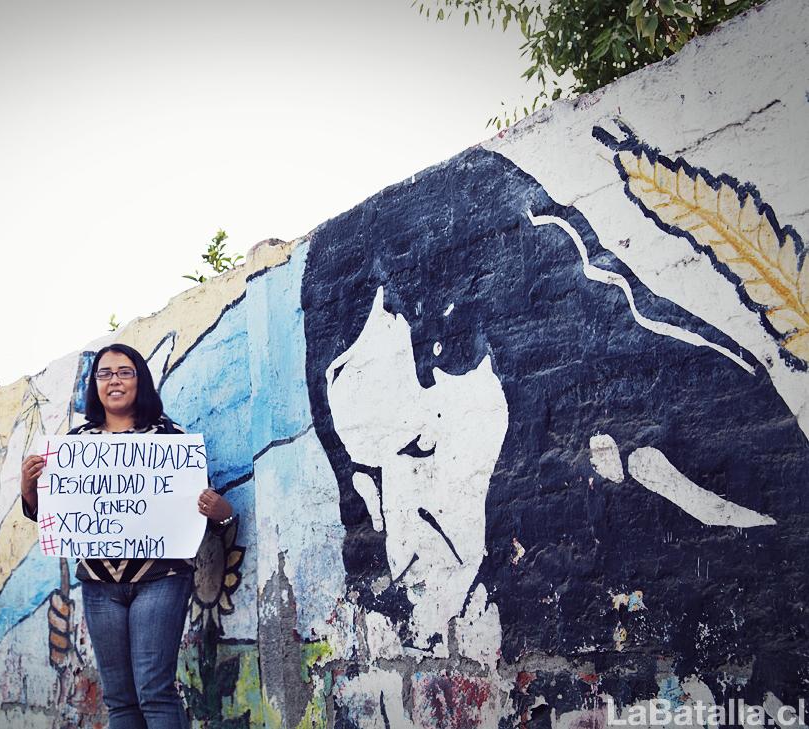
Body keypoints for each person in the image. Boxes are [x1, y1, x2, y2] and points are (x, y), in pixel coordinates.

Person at [301, 148, 809, 714]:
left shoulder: (655, 462)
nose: (394, 524)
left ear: (503, 366)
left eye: (421, 448)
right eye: (368, 476)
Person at [21, 343, 234, 729]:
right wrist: (28, 485)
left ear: (141, 381)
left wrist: (221, 512)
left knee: (154, 692)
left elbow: (205, 509)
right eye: (105, 373)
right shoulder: (75, 444)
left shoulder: (171, 438)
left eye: (125, 371)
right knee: (120, 701)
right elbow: (51, 516)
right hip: (100, 585)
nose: (114, 380)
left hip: (162, 580)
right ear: (94, 384)